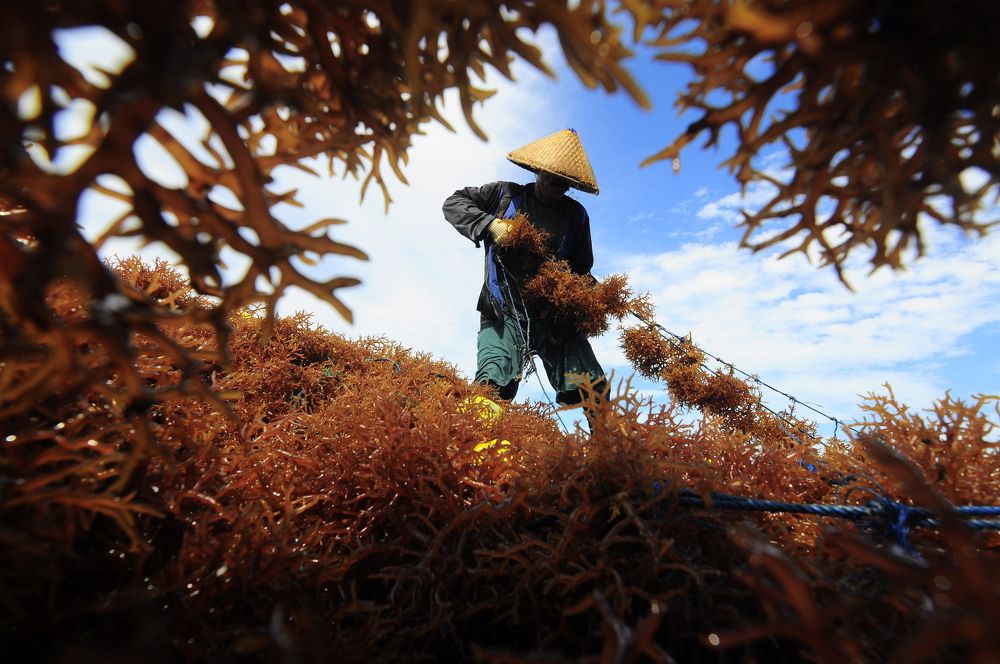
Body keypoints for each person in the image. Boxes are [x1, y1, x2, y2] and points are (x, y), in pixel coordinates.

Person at [442, 128, 607, 411]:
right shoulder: (503, 195)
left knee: (592, 386)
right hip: (504, 312)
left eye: (564, 183)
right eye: (552, 179)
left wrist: (596, 293)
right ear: (538, 171)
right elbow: (454, 203)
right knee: (493, 380)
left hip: (553, 318)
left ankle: (608, 449)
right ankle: (476, 443)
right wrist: (489, 225)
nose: (558, 187)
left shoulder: (575, 216)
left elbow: (580, 268)